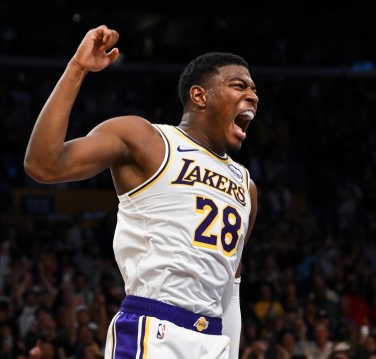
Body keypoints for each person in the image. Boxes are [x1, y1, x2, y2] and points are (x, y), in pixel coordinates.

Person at [24, 24, 258, 359]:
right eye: (239, 86)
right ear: (199, 95)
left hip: (213, 339)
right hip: (155, 328)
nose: (253, 95)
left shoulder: (246, 185)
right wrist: (77, 69)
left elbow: (230, 291)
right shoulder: (146, 139)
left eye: (254, 89)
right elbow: (44, 165)